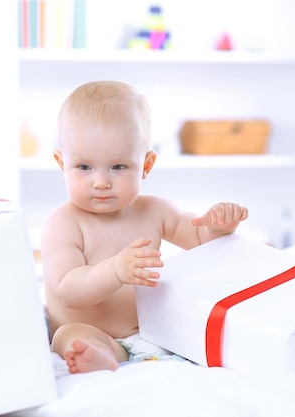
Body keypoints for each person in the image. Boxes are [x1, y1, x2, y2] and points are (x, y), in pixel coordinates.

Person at [41, 80, 249, 373]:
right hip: (89, 327)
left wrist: (218, 226)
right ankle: (99, 356)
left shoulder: (154, 211)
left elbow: (201, 240)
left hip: (153, 332)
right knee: (69, 336)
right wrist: (115, 270)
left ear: (146, 166)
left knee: (204, 319)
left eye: (118, 167)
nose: (101, 181)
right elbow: (67, 289)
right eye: (84, 167)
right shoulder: (63, 223)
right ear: (62, 164)